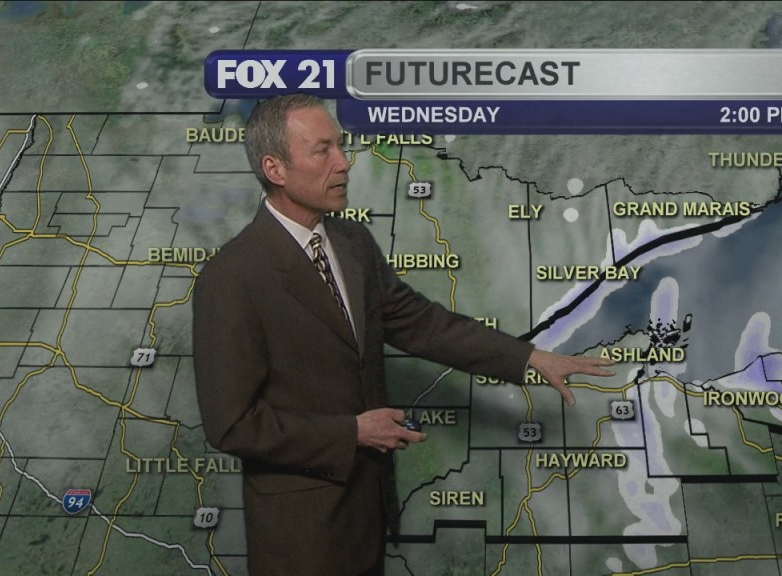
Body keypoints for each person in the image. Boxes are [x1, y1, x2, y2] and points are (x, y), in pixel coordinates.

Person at [191, 93, 614, 576]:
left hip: (367, 517)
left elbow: (420, 323)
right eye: (323, 150)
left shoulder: (352, 242)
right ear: (275, 168)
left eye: (341, 146)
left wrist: (529, 357)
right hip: (301, 536)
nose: (343, 163)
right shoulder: (232, 278)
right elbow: (232, 425)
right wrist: (352, 432)